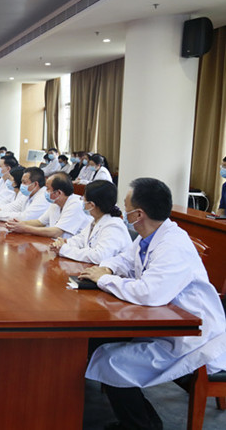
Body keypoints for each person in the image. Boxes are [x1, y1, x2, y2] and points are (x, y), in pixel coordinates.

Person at [79, 177, 226, 430]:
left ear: (138, 214)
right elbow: (124, 259)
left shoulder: (173, 245)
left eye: (126, 208)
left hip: (190, 336)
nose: (123, 212)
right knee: (94, 343)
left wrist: (103, 280)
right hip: (163, 321)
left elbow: (149, 294)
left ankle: (143, 424)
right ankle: (139, 419)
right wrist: (107, 268)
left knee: (112, 361)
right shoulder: (150, 235)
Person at [50, 180, 132, 263]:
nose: (82, 202)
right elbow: (81, 239)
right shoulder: (96, 220)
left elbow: (99, 256)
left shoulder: (114, 226)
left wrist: (65, 250)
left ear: (92, 205)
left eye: (83, 199)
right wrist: (64, 243)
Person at [6, 172, 91, 238]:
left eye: (47, 188)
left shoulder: (75, 204)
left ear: (58, 192)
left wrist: (24, 228)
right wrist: (19, 224)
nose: (45, 191)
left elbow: (56, 232)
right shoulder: (56, 203)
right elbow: (40, 222)